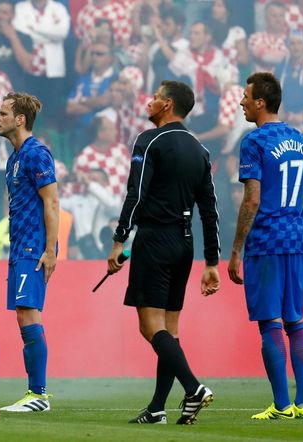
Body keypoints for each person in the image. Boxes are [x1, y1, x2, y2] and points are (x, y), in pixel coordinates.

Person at [106, 80, 220, 425]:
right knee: (169, 330)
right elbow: (209, 209)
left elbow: (135, 194)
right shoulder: (200, 149)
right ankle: (157, 408)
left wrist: (119, 240)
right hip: (185, 244)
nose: (150, 101)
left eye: (156, 96)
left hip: (154, 240)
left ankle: (194, 387)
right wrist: (211, 261)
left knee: (149, 327)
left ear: (167, 105)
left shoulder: (149, 139)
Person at [228, 72, 303, 420]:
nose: (241, 102)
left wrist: (236, 247)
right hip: (295, 240)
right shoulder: (299, 138)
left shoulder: (253, 142)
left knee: (270, 323)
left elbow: (252, 199)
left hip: (266, 241)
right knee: (295, 322)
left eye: (245, 96)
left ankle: (283, 405)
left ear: (260, 102)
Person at [0, 92, 59, 412]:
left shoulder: (36, 153)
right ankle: (36, 393)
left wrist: (50, 250)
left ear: (20, 119)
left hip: (34, 246)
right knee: (23, 314)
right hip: (19, 245)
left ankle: (38, 394)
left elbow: (52, 201)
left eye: (3, 113)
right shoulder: (13, 157)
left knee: (28, 313)